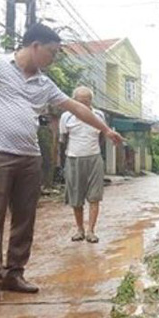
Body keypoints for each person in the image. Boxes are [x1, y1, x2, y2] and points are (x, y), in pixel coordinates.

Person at [0, 24, 124, 309]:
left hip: (29, 158)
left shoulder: (44, 84)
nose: (53, 59)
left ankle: (14, 274)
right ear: (35, 46)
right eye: (51, 53)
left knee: (25, 219)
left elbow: (76, 108)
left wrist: (106, 130)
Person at [59, 86, 106, 244]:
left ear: (91, 101)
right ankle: (80, 229)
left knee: (95, 197)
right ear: (74, 101)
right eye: (80, 102)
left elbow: (102, 137)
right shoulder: (66, 117)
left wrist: (99, 155)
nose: (83, 105)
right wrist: (62, 164)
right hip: (73, 159)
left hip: (94, 158)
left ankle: (91, 231)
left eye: (86, 102)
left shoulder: (99, 115)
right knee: (76, 197)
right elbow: (62, 141)